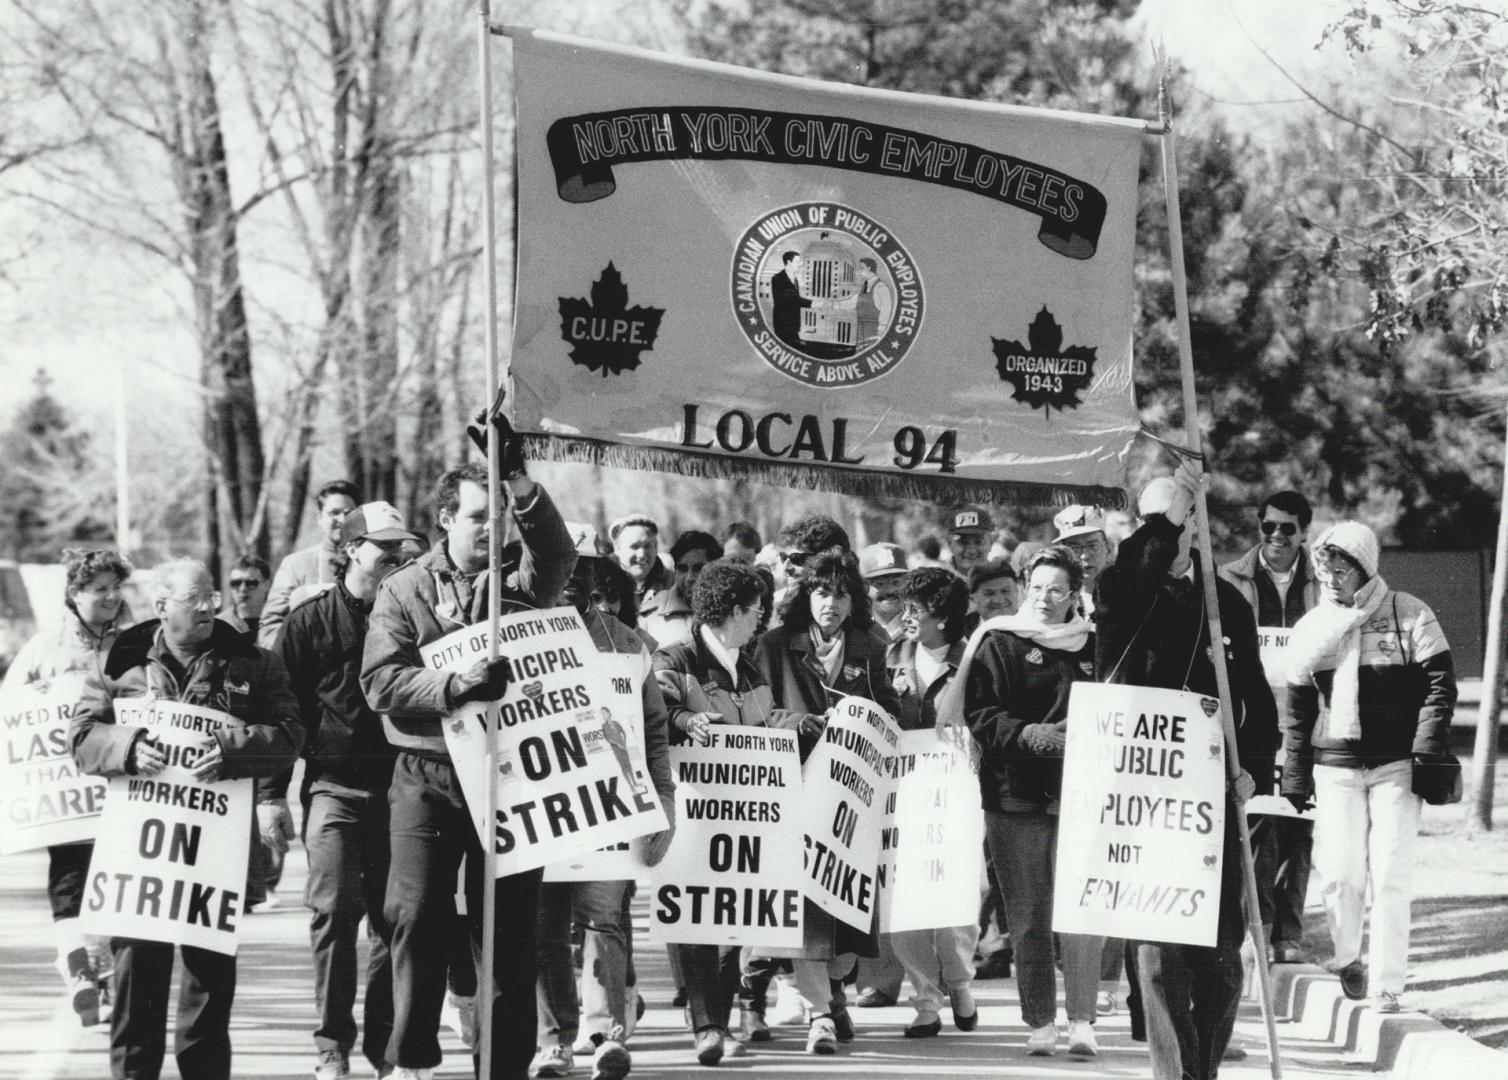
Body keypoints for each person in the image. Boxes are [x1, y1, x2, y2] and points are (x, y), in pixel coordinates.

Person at [360, 429, 577, 1080]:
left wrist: (519, 483)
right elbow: (380, 682)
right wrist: (452, 688)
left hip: (509, 773)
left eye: (499, 516)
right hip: (427, 771)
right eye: (479, 517)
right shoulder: (404, 590)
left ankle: (502, 1064)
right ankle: (412, 1058)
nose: (491, 528)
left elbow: (559, 555)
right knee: (419, 914)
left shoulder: (519, 580)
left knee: (509, 930)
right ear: (447, 518)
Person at [70, 558, 303, 1080]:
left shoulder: (253, 662)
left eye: (210, 596)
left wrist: (232, 750)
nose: (207, 606)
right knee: (136, 989)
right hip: (141, 859)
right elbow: (81, 740)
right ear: (160, 608)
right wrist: (127, 748)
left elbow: (290, 735)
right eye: (193, 599)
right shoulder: (118, 659)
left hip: (213, 857)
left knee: (208, 992)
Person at [1094, 464, 1278, 1080]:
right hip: (1144, 800)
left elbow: (1254, 694)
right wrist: (1168, 516)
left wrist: (1253, 768)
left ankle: (1204, 1070)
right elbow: (1134, 571)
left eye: (1175, 522)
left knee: (1222, 957)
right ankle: (1174, 1075)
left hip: (1213, 796)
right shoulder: (1122, 592)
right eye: (1155, 525)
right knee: (1157, 956)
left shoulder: (1225, 601)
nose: (1166, 536)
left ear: (1196, 528)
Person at [1282, 521, 1455, 1013]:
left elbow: (1441, 686)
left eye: (1343, 569)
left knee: (1391, 870)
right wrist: (1295, 773)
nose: (1333, 579)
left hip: (1397, 765)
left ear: (1365, 567)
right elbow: (1297, 710)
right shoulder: (1313, 627)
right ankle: (1347, 956)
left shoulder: (1409, 612)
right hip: (1335, 766)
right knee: (1339, 873)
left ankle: (1387, 984)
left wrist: (1425, 749)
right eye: (1326, 570)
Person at [278, 501, 424, 1079]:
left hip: (403, 790)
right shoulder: (308, 621)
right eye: (383, 546)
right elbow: (281, 712)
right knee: (334, 914)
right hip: (334, 791)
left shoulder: (414, 614)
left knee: (396, 922)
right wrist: (270, 797)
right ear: (351, 550)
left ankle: (386, 1049)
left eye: (400, 547)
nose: (394, 556)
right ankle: (332, 1045)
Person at [532, 524, 676, 1080]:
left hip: (613, 807)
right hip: (545, 807)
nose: (572, 579)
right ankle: (553, 1041)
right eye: (563, 566)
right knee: (545, 925)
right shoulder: (522, 636)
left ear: (599, 575)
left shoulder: (630, 643)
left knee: (604, 918)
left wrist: (663, 799)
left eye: (584, 568)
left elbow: (654, 731)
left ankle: (605, 1034)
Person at [953, 546, 1102, 1057]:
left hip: (1080, 796)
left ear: (1073, 597)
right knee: (1030, 915)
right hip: (1014, 797)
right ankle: (1040, 1019)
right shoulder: (996, 642)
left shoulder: (1094, 646)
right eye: (1035, 588)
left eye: (1055, 590)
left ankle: (1083, 1018)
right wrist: (1031, 735)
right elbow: (980, 715)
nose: (1043, 599)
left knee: (1081, 912)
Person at [753, 551, 901, 1055]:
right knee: (808, 912)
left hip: (850, 801)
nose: (830, 604)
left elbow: (891, 712)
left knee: (847, 920)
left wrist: (862, 715)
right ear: (805, 597)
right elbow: (756, 712)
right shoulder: (773, 645)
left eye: (840, 594)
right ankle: (819, 1014)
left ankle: (835, 993)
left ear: (853, 600)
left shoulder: (871, 644)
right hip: (794, 792)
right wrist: (797, 723)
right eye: (821, 592)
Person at [3, 547, 134, 1027]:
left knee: (116, 880)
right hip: (68, 795)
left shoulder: (138, 643)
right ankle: (81, 967)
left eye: (115, 588)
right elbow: (11, 711)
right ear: (74, 594)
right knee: (69, 880)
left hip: (122, 786)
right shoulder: (45, 648)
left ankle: (95, 970)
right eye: (98, 589)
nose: (109, 597)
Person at [653, 558, 773, 1065]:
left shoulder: (749, 665)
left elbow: (760, 725)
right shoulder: (674, 657)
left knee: (734, 920)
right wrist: (685, 718)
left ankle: (717, 1022)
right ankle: (707, 1024)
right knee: (694, 916)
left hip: (743, 816)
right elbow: (653, 712)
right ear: (730, 610)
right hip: (692, 809)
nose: (761, 616)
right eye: (755, 608)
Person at [1219, 491, 1321, 966]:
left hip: (1306, 721)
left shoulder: (1321, 581)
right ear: (1258, 527)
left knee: (1298, 826)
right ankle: (1251, 932)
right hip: (1251, 720)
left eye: (1288, 529)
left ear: (1304, 533)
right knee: (1255, 826)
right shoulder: (1230, 578)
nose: (1277, 537)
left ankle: (1289, 935)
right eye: (1269, 527)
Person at [885, 567, 980, 1039]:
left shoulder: (975, 660)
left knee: (957, 894)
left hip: (958, 795)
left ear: (942, 617)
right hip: (903, 796)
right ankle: (925, 1000)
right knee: (904, 899)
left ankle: (960, 980)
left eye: (915, 610)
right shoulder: (889, 658)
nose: (905, 617)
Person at [259, 479, 362, 648]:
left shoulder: (367, 563)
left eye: (348, 513)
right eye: (334, 513)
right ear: (320, 517)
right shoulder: (296, 566)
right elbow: (270, 626)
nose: (342, 520)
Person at [1052, 504, 1111, 617]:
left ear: (1108, 548)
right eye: (1075, 548)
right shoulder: (1056, 601)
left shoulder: (1126, 595)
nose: (1084, 556)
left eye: (1093, 546)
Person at [859, 542, 908, 645]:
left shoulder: (917, 628)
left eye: (896, 582)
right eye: (880, 584)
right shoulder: (858, 631)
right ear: (864, 587)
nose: (890, 590)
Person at [219, 555, 271, 639]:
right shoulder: (218, 626)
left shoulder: (279, 622)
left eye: (251, 583)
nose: (242, 589)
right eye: (236, 583)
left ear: (266, 585)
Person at [770, 251, 811, 349]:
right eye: (797, 262)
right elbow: (789, 299)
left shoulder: (795, 279)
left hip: (794, 324)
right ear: (788, 262)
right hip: (783, 324)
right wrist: (811, 303)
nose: (800, 264)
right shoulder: (777, 278)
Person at [946, 507, 992, 581]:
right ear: (949, 544)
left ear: (991, 543)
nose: (972, 551)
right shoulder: (935, 582)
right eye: (963, 542)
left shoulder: (1005, 581)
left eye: (978, 542)